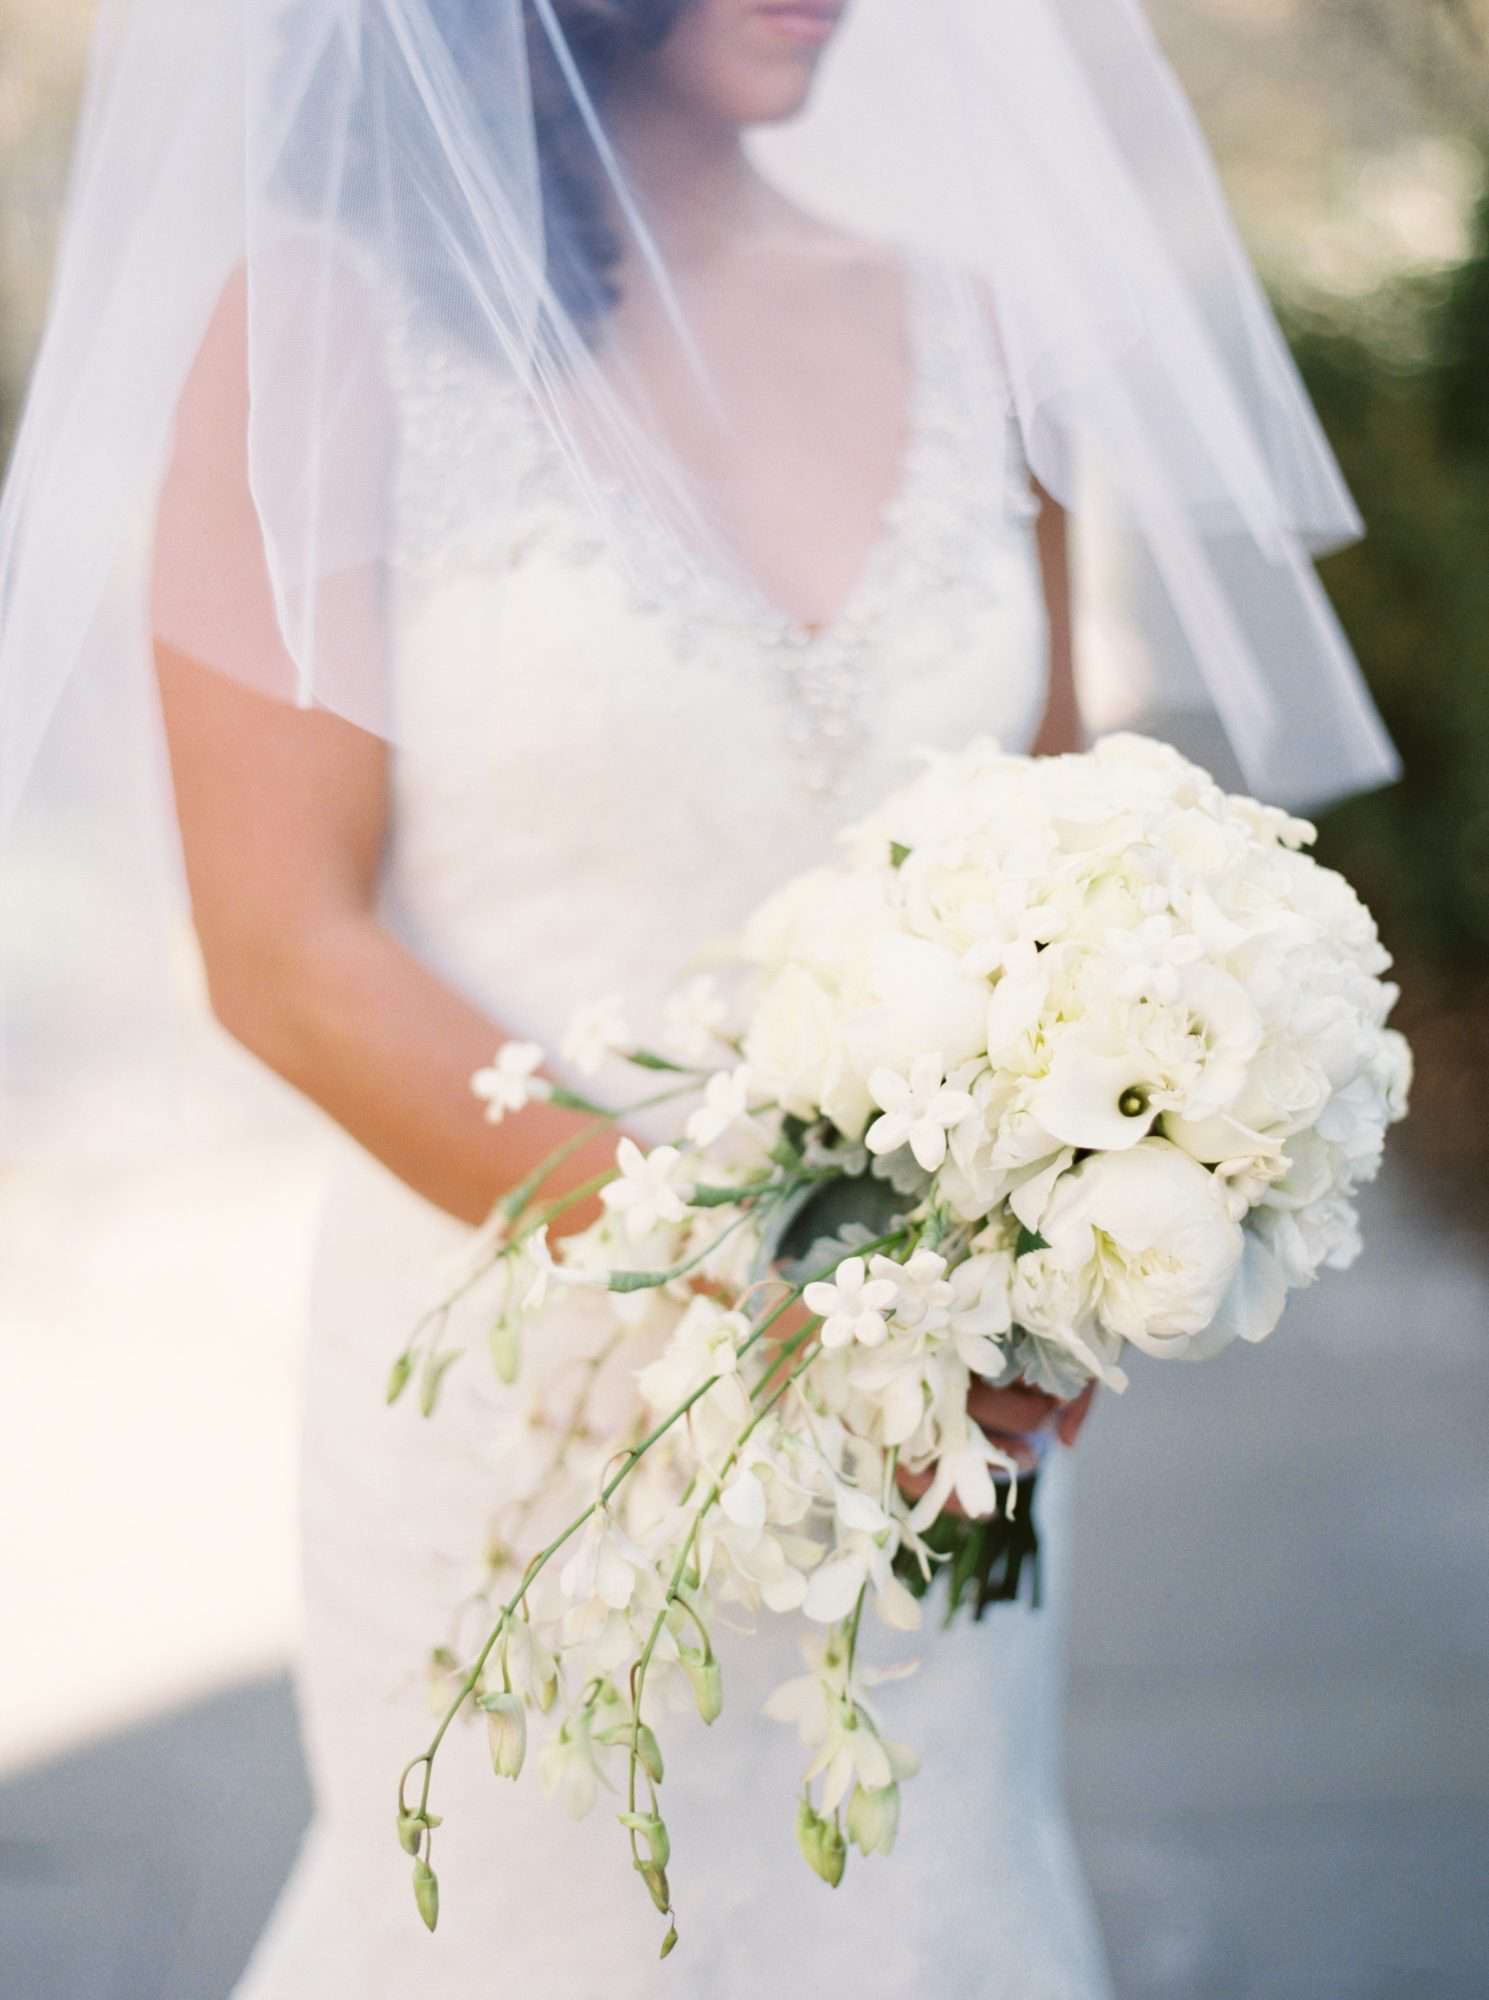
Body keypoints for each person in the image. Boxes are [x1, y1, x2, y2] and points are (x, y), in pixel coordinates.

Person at [0, 2, 1398, 1994]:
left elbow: (1084, 857)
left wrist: (1076, 1223)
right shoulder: (316, 340)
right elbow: (281, 951)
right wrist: (764, 1292)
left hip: (934, 1419)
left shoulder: (984, 330)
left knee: (920, 1907)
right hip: (522, 1404)